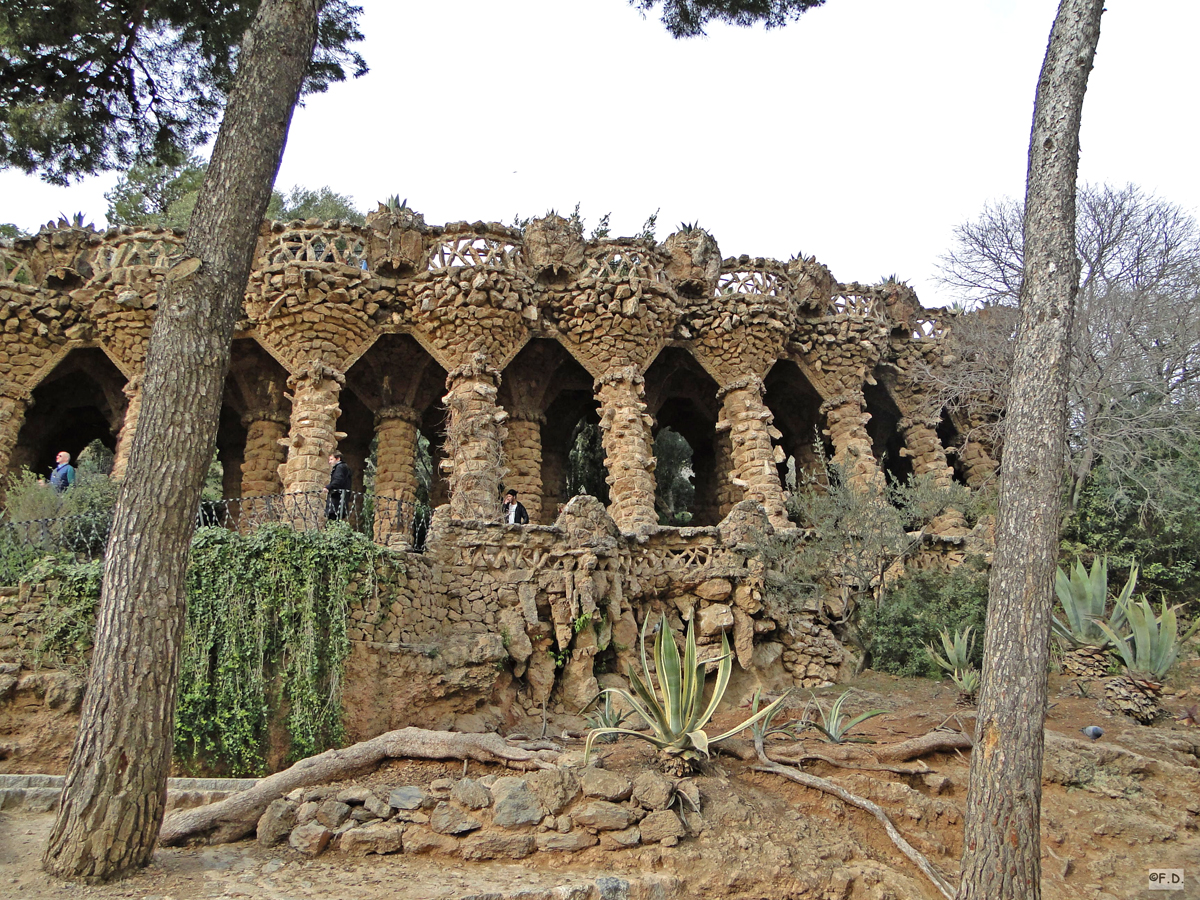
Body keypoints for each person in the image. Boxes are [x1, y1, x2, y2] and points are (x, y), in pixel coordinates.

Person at [324, 451, 353, 521]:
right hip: (339, 499)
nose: (330, 462)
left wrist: (328, 487)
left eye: (331, 459)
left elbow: (338, 480)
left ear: (338, 459)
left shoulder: (340, 467)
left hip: (337, 499)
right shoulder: (343, 467)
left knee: (333, 519)